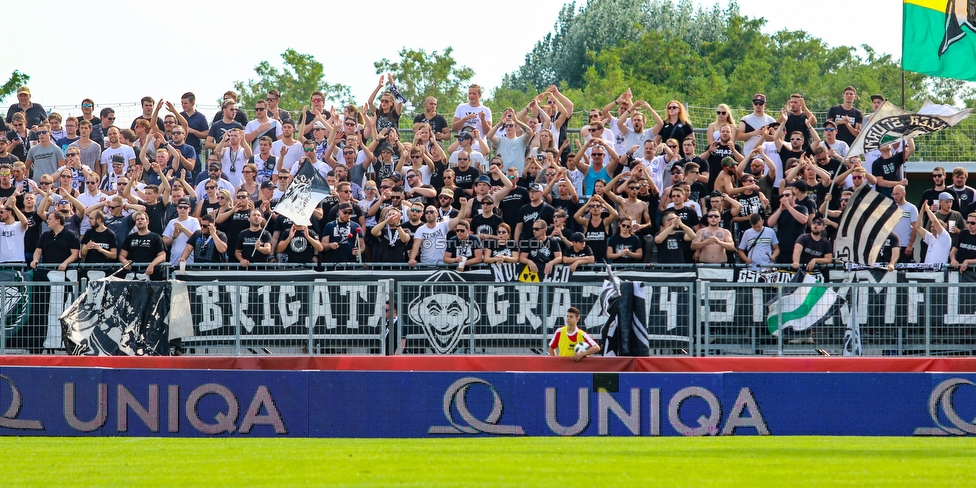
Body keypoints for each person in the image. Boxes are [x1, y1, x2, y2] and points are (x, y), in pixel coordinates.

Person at [119, 211, 167, 280]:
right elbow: (122, 255)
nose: (139, 221)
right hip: (133, 275)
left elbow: (162, 256)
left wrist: (152, 265)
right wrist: (124, 261)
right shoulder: (130, 237)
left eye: (142, 219)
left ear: (147, 221)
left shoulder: (156, 237)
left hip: (150, 274)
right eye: (137, 219)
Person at [0, 195, 29, 263]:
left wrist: (14, 207)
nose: (0, 214)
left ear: (9, 212)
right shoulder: (1, 226)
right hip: (2, 261)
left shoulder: (18, 225)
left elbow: (25, 222)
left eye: (1, 212)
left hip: (17, 260)